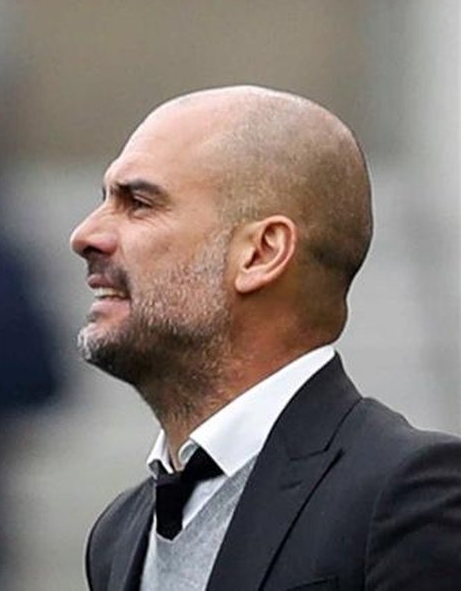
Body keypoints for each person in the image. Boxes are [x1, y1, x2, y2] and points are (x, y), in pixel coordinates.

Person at [71, 85, 461, 590]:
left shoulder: (408, 495)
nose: (85, 235)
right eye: (105, 200)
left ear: (261, 254)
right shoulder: (118, 534)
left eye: (139, 203)